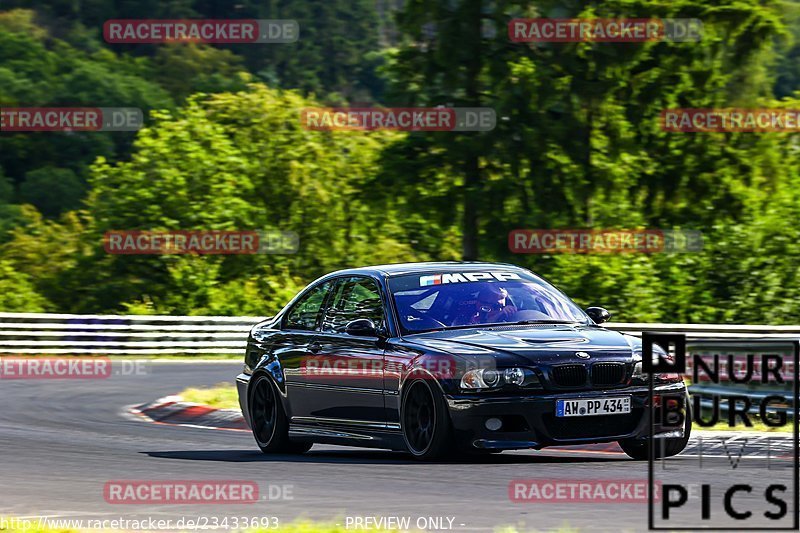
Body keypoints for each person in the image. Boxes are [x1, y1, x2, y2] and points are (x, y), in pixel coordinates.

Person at [453, 285, 518, 325]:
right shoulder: (470, 318)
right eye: (495, 306)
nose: (500, 309)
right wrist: (500, 314)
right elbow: (483, 324)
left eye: (502, 306)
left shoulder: (512, 315)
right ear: (479, 305)